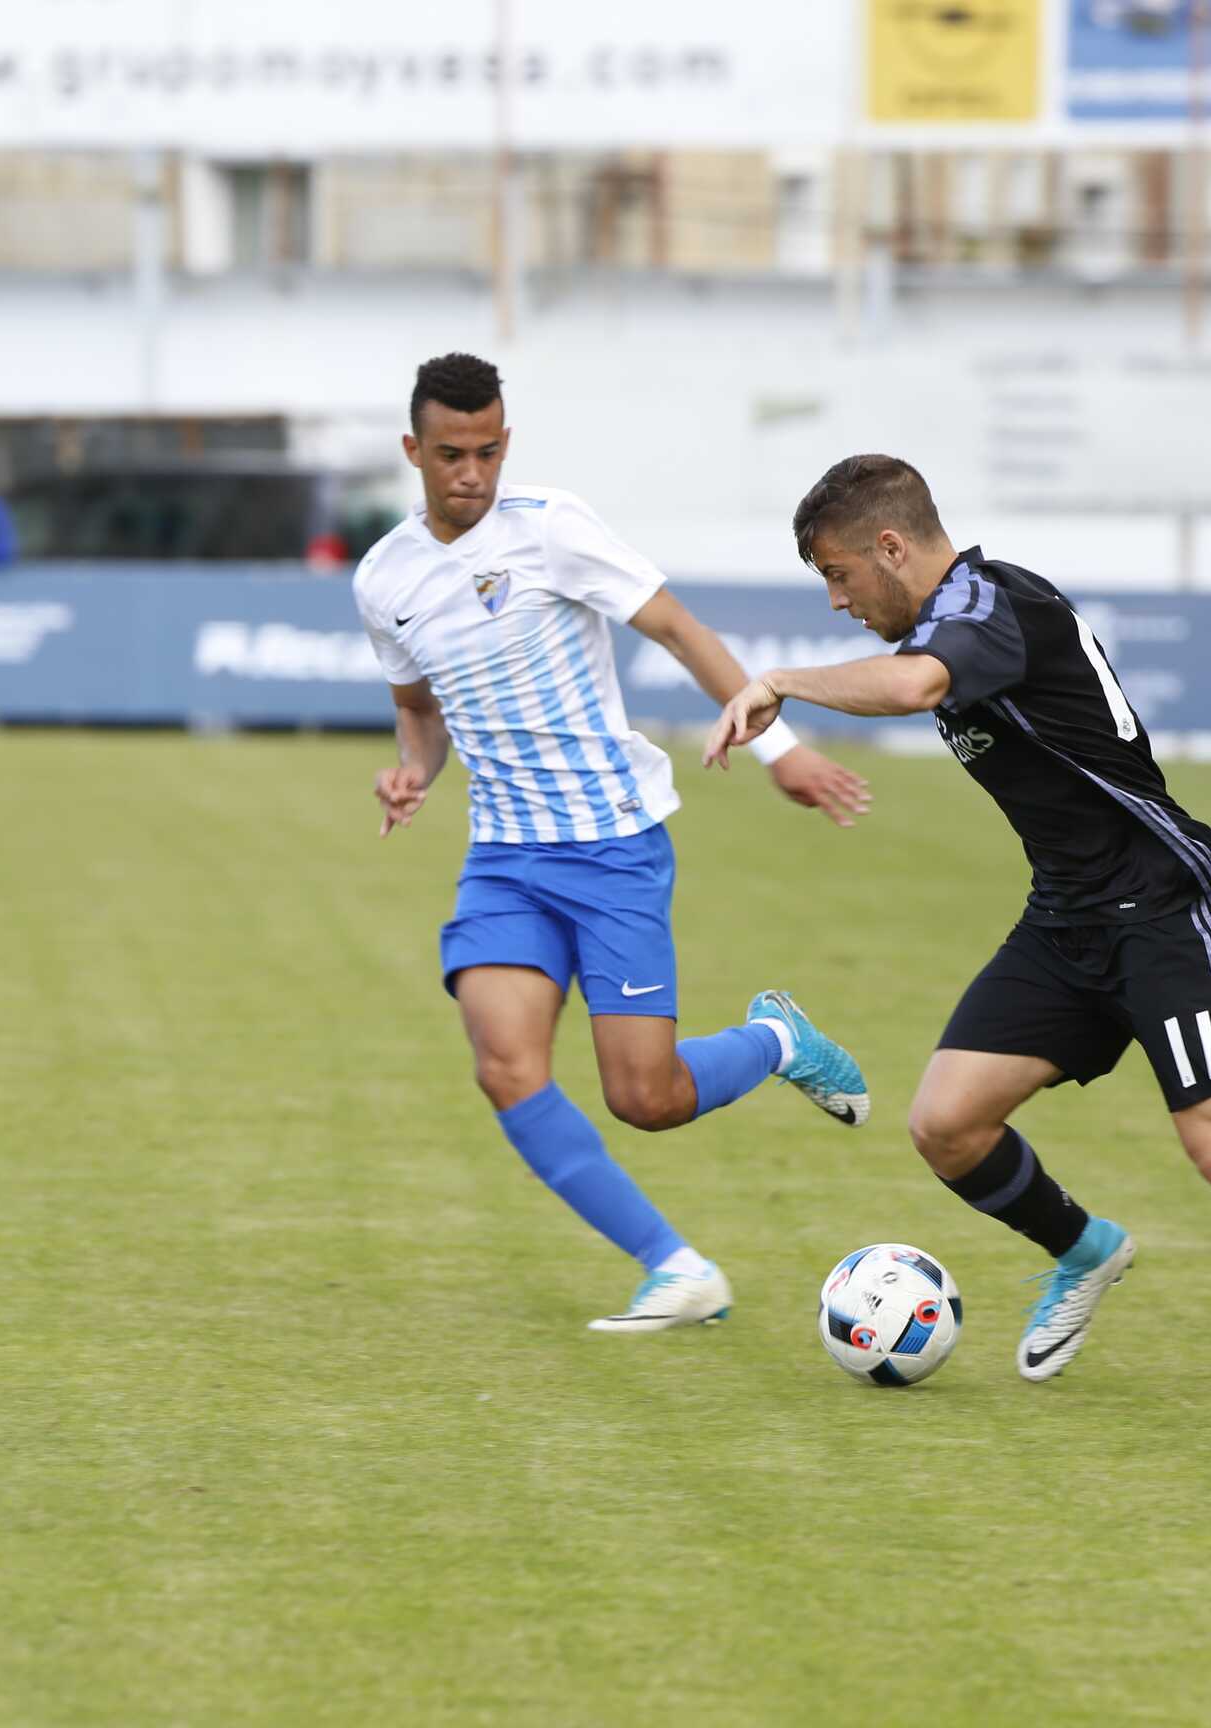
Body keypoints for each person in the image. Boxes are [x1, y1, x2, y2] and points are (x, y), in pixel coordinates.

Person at [704, 454, 1211, 1412]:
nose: (838, 601)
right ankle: (1085, 1251)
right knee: (947, 1124)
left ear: (892, 547)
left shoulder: (990, 607)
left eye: (839, 575)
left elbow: (915, 687)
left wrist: (782, 681)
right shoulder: (961, 615)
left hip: (1166, 911)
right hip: (1068, 916)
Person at [357, 353, 874, 1333]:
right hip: (504, 860)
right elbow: (418, 710)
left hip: (611, 848)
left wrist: (779, 750)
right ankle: (677, 1268)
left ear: (506, 442)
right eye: (452, 454)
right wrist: (412, 773)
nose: (472, 473)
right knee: (505, 1065)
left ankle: (777, 1040)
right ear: (413, 451)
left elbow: (677, 629)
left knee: (647, 1097)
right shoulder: (385, 578)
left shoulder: (552, 528)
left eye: (489, 451)